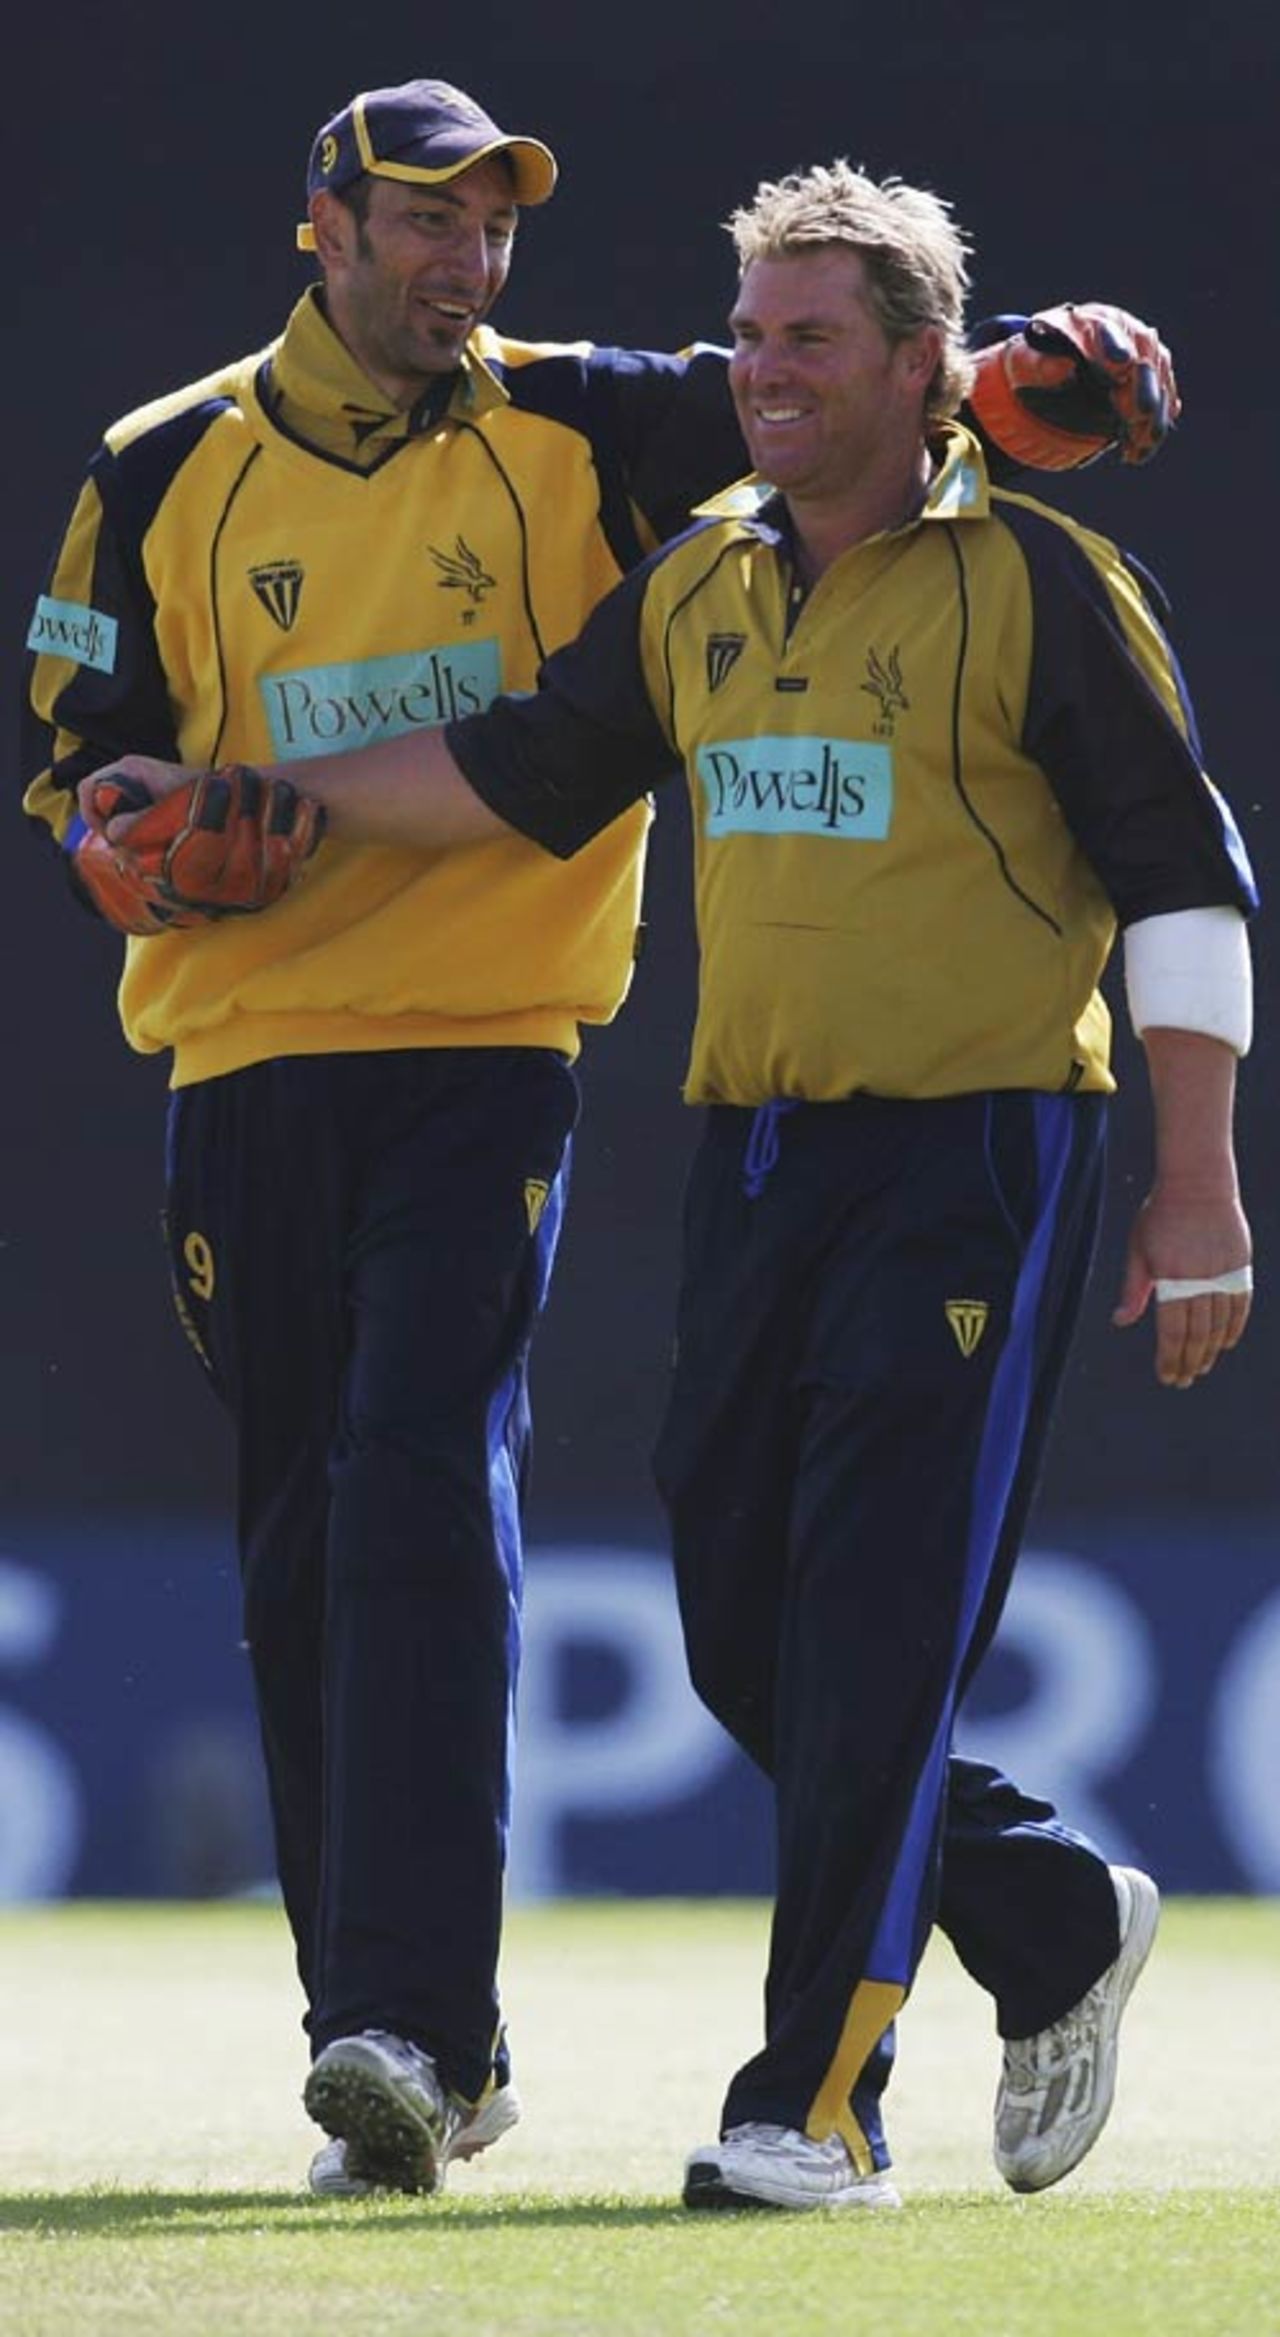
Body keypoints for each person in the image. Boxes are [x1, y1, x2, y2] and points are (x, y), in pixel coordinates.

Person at [25, 79, 1187, 2206]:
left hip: (493, 1050)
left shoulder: (590, 413)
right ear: (326, 229)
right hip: (242, 1057)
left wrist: (1019, 385)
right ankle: (962, 1922)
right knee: (315, 1556)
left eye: (493, 225)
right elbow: (77, 733)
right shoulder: (156, 465)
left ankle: (417, 2030)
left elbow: (836, 431)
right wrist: (119, 820)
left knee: (410, 1486)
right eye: (423, 222)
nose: (467, 261)